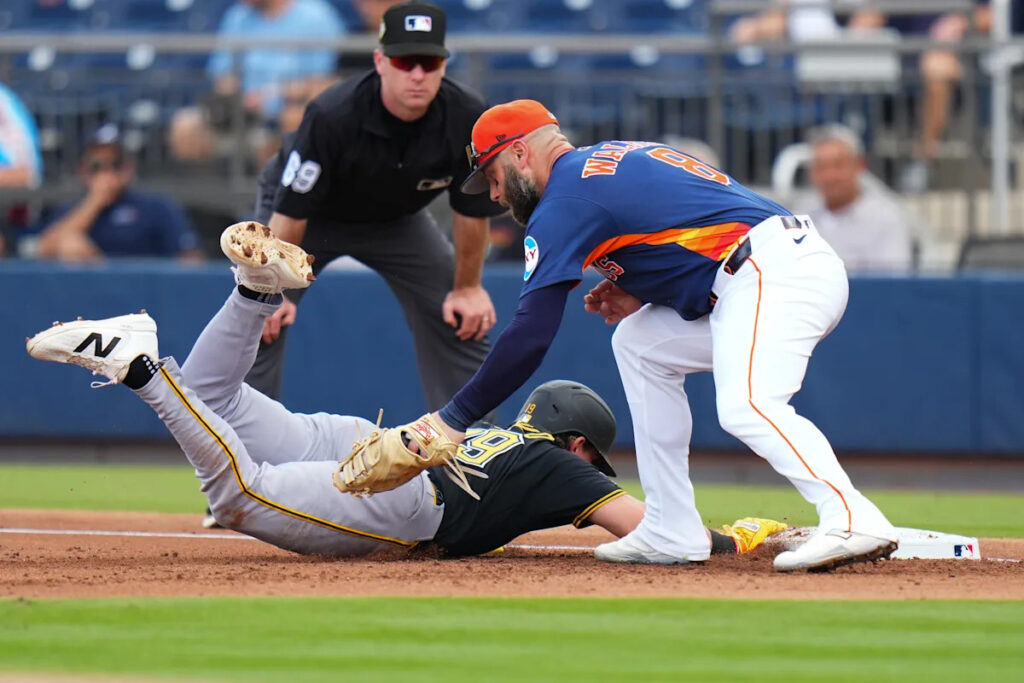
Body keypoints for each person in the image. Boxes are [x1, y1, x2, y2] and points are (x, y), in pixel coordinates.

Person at [25, 222, 786, 559]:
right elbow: (650, 530)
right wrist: (733, 538)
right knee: (239, 496)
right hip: (407, 494)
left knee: (220, 400)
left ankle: (256, 291)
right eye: (595, 457)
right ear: (580, 442)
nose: (595, 467)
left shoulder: (506, 436)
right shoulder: (562, 466)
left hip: (374, 439)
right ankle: (142, 369)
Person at [398, 99, 898, 572]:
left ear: (520, 153)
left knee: (747, 403)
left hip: (773, 271)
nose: (494, 193)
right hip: (761, 268)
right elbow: (694, 221)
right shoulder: (602, 162)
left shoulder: (564, 198)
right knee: (639, 343)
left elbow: (531, 332)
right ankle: (670, 527)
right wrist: (641, 287)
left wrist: (453, 419)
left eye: (491, 174)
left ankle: (852, 517)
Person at [250, 1, 504, 405]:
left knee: (459, 312)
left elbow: (472, 212)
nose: (418, 74)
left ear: (443, 65)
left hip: (395, 221)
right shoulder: (333, 113)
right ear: (380, 61)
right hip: (309, 218)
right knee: (261, 313)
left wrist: (469, 287)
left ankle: (471, 452)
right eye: (405, 62)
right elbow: (291, 210)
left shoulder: (467, 117)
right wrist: (271, 288)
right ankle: (239, 451)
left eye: (429, 62)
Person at [168, 0, 345, 166]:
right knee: (186, 125)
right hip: (242, 113)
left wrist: (270, 96)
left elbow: (320, 80)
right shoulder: (238, 16)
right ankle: (203, 198)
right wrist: (233, 96)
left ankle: (279, 195)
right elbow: (223, 73)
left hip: (286, 109)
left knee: (292, 119)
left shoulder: (316, 16)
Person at [848, 2, 992, 192]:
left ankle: (922, 161)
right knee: (849, 62)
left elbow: (994, 16)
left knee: (936, 67)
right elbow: (864, 20)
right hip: (900, 61)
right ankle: (848, 164)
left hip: (958, 61)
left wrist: (961, 22)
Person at [33, 124, 203, 263]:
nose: (106, 173)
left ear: (129, 168)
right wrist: (95, 201)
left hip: (146, 293)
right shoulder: (70, 209)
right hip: (90, 294)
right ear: (83, 171)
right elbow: (43, 251)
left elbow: (190, 259)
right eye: (97, 167)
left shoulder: (156, 207)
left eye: (115, 165)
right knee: (69, 243)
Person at [797, 124, 914, 272]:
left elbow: (893, 282)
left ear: (859, 165)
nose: (829, 176)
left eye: (838, 165)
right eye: (821, 167)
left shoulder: (887, 217)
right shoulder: (800, 216)